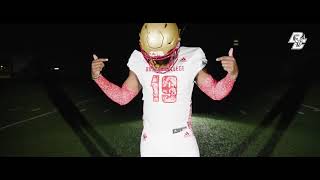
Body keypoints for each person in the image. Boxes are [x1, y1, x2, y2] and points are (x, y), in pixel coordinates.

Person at [91, 23, 239, 157]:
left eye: (164, 58)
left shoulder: (191, 56)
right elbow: (123, 97)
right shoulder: (139, 59)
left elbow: (216, 93)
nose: (158, 65)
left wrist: (232, 74)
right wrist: (98, 77)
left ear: (177, 44)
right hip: (151, 142)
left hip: (183, 141)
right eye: (152, 59)